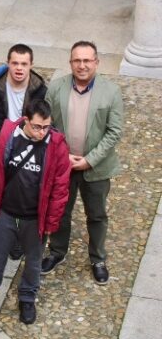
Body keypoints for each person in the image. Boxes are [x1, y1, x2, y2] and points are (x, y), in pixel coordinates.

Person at [0, 100, 71, 324]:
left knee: (33, 263)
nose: (42, 132)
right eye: (36, 127)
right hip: (6, 214)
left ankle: (27, 299)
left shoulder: (57, 145)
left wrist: (51, 222)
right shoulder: (8, 137)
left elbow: (60, 188)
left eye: (46, 127)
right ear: (26, 120)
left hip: (35, 219)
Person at [40, 41, 124, 285]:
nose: (82, 65)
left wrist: (90, 160)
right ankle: (57, 251)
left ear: (96, 62)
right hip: (62, 164)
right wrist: (62, 156)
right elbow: (47, 126)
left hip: (96, 167)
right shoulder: (56, 88)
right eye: (77, 60)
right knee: (60, 211)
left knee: (96, 215)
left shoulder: (111, 91)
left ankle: (98, 258)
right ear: (70, 63)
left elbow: (114, 131)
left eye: (87, 60)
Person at [0, 44, 48, 254]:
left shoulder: (39, 88)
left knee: (22, 191)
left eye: (24, 64)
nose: (19, 68)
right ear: (8, 63)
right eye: (15, 63)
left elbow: (42, 118)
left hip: (26, 143)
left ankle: (19, 235)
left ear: (31, 65)